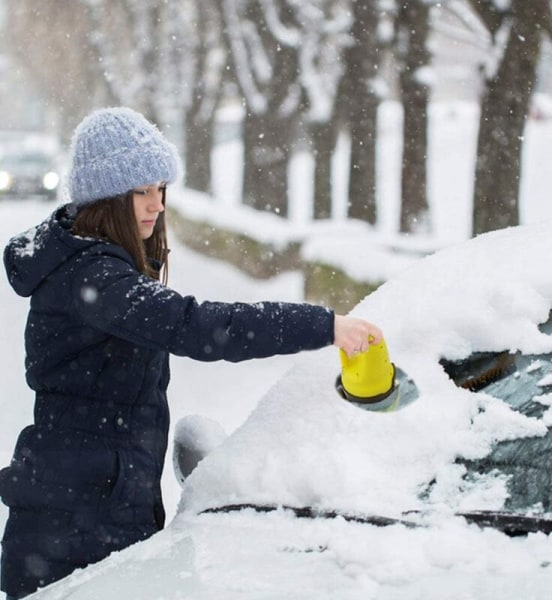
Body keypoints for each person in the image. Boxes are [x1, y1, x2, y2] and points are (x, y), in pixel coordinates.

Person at [0, 107, 383, 598]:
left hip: (95, 503)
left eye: (161, 189)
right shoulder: (92, 276)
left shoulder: (94, 263)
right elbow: (199, 326)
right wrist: (324, 325)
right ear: (106, 197)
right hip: (73, 524)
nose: (156, 204)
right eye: (141, 190)